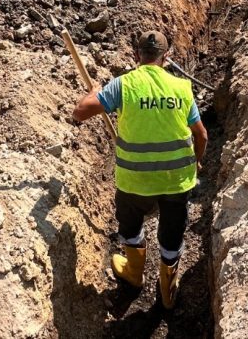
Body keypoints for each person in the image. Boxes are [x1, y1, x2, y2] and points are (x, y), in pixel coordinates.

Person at [72, 30, 208, 309]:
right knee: (171, 235)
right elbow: (202, 136)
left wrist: (95, 92)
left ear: (137, 56)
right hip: (176, 181)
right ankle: (168, 291)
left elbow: (80, 112)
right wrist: (196, 161)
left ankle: (133, 276)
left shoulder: (123, 85)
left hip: (134, 182)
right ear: (166, 58)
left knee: (131, 227)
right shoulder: (181, 88)